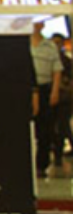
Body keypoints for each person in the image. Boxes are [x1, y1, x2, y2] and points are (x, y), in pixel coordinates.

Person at [31, 21, 63, 178]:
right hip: (26, 89)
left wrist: (55, 91)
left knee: (45, 129)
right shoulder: (23, 44)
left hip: (44, 88)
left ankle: (41, 165)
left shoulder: (50, 46)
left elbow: (57, 70)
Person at [54, 33, 73, 163]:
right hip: (54, 97)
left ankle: (58, 155)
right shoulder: (51, 59)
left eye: (58, 42)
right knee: (60, 126)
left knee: (62, 125)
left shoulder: (67, 61)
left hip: (65, 98)